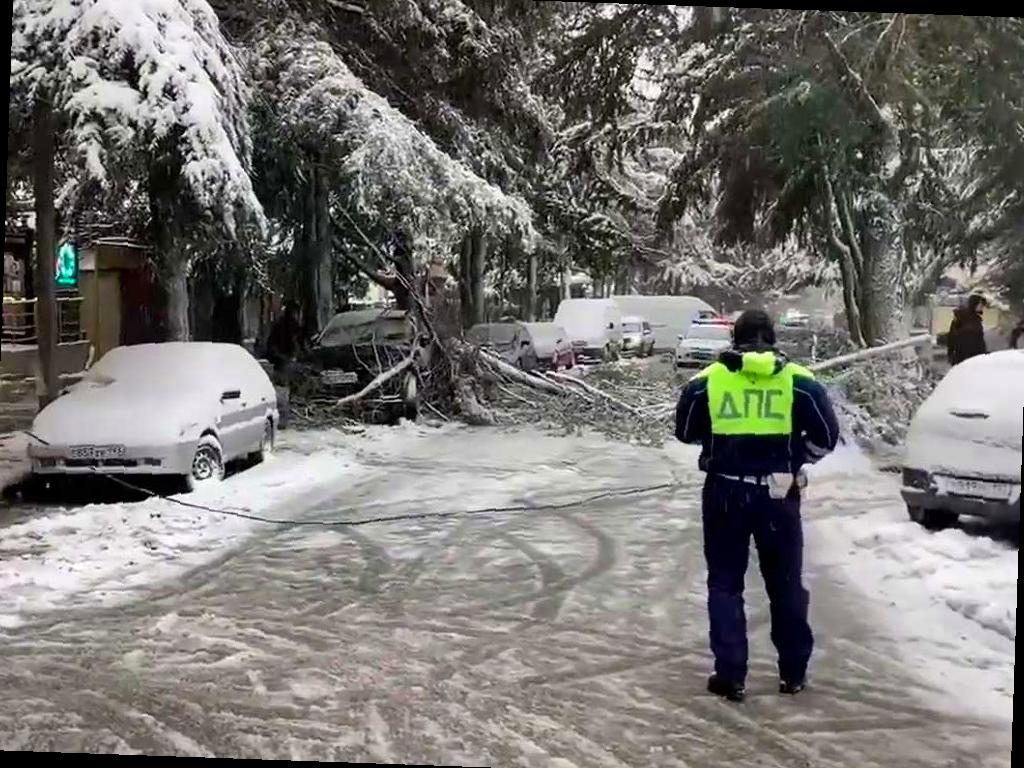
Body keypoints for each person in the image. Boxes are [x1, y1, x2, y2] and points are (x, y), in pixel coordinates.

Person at [674, 309, 840, 703]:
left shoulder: (706, 382)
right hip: (780, 492)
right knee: (785, 583)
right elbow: (827, 436)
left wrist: (719, 444)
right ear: (772, 339)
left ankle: (731, 675)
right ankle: (793, 672)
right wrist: (798, 457)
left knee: (726, 582)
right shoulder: (799, 382)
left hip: (725, 491)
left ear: (735, 339)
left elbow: (684, 431)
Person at [946, 294, 988, 365]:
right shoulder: (961, 316)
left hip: (975, 355)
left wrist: (983, 353)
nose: (982, 307)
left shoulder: (977, 319)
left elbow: (979, 338)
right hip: (962, 354)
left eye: (982, 305)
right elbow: (952, 335)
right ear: (974, 304)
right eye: (980, 304)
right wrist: (950, 352)